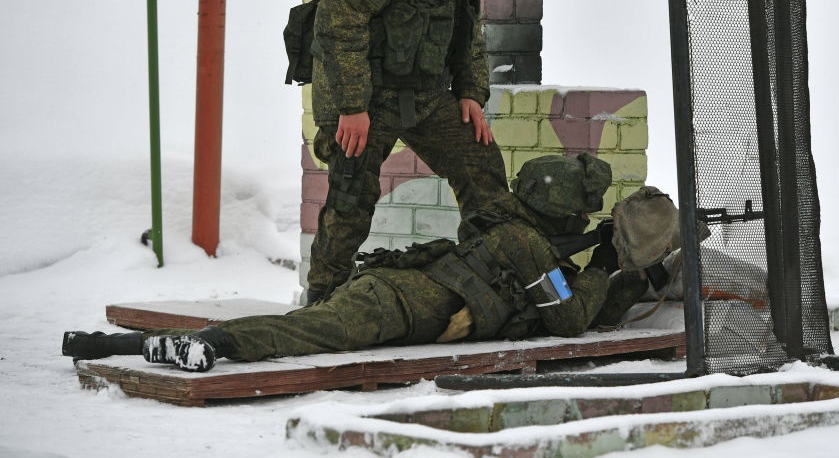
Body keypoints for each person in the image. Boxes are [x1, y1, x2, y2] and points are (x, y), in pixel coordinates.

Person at [62, 155, 663, 373]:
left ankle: (113, 346)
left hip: (397, 291)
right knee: (300, 336)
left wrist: (610, 268)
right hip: (394, 303)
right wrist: (603, 266)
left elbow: (567, 306)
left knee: (300, 330)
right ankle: (205, 345)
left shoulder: (514, 233)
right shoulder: (530, 248)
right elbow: (567, 321)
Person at [304, 0, 515, 304]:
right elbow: (339, 24)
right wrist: (352, 106)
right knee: (350, 197)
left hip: (426, 93)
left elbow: (468, 25)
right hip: (366, 97)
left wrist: (470, 93)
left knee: (482, 169)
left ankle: (491, 286)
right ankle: (320, 303)